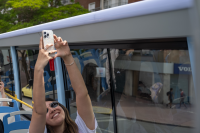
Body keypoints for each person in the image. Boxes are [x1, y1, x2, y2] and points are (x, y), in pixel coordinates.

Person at [28, 35, 97, 133]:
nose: (52, 110)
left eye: (54, 104)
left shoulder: (82, 129)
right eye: (46, 111)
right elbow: (39, 112)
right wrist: (39, 67)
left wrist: (67, 56)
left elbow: (82, 94)